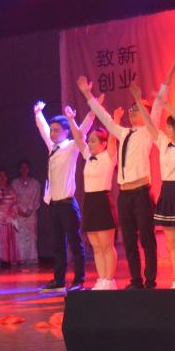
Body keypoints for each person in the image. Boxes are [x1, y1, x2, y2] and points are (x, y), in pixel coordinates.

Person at [80, 66, 173, 289]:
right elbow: (104, 117)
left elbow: (158, 105)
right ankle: (136, 279)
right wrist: (87, 94)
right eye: (131, 109)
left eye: (136, 109)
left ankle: (150, 279)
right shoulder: (123, 132)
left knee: (146, 238)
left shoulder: (149, 131)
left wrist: (162, 84)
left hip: (141, 192)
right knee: (129, 239)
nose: (132, 112)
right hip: (124, 194)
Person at [131, 80, 175, 296]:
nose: (166, 128)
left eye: (170, 126)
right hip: (167, 193)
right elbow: (149, 124)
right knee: (172, 242)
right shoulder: (163, 141)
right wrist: (138, 100)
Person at [33, 100, 95, 294]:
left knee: (75, 244)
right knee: (57, 245)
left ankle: (79, 280)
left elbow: (82, 131)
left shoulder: (71, 146)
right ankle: (59, 280)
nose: (52, 133)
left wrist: (91, 111)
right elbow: (42, 129)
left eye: (57, 130)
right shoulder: (52, 147)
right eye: (52, 130)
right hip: (53, 205)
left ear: (66, 132)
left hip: (68, 205)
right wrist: (38, 113)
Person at [67, 105, 119, 290]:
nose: (89, 144)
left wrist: (115, 120)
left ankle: (109, 280)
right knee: (96, 246)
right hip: (89, 202)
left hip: (102, 202)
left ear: (103, 143)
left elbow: (113, 136)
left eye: (93, 141)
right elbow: (78, 138)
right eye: (89, 141)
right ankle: (102, 278)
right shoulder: (88, 156)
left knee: (106, 245)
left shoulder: (109, 156)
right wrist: (71, 119)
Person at [12, 160, 42, 267]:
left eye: (26, 167)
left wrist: (29, 210)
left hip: (31, 214)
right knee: (20, 235)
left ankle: (31, 258)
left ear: (29, 169)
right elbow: (13, 198)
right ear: (19, 169)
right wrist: (19, 210)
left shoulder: (35, 183)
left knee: (31, 236)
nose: (24, 170)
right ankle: (21, 258)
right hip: (19, 213)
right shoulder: (15, 182)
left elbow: (36, 198)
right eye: (22, 167)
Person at [0, 169, 20, 268]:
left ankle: (11, 259)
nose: (2, 178)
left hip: (9, 217)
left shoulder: (11, 190)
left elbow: (15, 203)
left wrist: (12, 215)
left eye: (4, 176)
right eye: (0, 176)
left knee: (9, 238)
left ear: (7, 177)